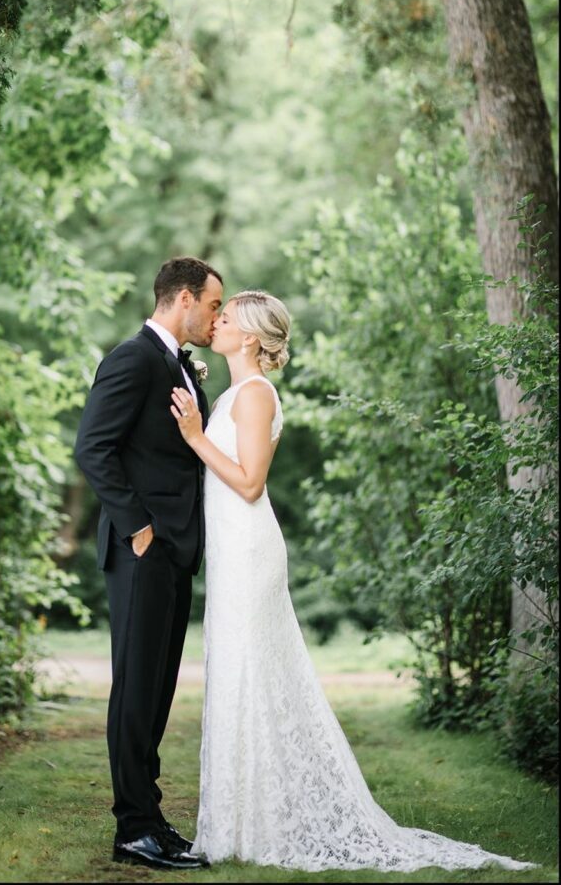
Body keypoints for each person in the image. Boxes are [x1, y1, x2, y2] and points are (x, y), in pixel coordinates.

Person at [169, 289, 538, 874]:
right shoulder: (237, 392)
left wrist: (194, 438)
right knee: (235, 673)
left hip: (250, 549)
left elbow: (248, 484)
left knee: (253, 675)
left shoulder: (258, 395)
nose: (216, 322)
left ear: (250, 337)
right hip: (230, 553)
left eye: (227, 317)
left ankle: (262, 823)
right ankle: (240, 820)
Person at [74, 256, 223, 871]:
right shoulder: (133, 357)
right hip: (143, 551)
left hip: (174, 553)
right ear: (183, 299)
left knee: (156, 692)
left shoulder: (177, 363)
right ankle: (132, 828)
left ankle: (151, 819)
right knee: (135, 690)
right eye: (214, 305)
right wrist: (137, 527)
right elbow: (93, 448)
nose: (217, 317)